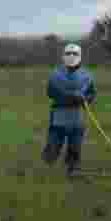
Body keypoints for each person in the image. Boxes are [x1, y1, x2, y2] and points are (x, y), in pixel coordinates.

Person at [42, 43, 96, 178]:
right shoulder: (56, 75)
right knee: (52, 148)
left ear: (80, 56)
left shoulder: (86, 76)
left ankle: (72, 170)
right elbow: (50, 92)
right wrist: (70, 96)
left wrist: (85, 99)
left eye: (74, 54)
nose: (71, 56)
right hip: (59, 117)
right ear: (63, 56)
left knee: (75, 147)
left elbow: (91, 94)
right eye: (68, 53)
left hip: (77, 118)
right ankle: (47, 162)